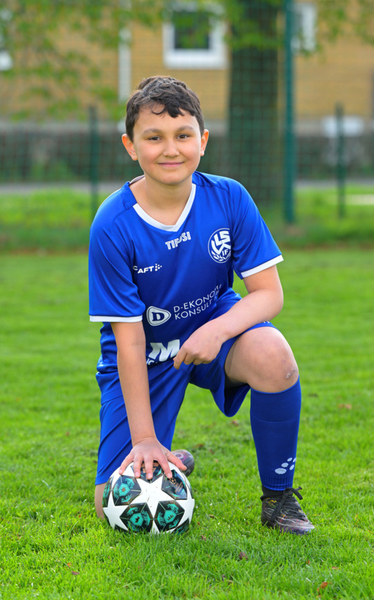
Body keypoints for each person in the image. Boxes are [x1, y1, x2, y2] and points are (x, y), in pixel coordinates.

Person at [88, 76, 314, 535]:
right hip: (147, 355)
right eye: (154, 138)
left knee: (275, 356)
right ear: (131, 146)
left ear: (203, 141)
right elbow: (128, 341)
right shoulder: (113, 224)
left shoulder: (228, 198)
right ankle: (165, 454)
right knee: (111, 504)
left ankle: (278, 498)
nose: (171, 149)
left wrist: (217, 330)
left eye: (183, 135)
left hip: (214, 332)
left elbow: (269, 294)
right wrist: (143, 438)